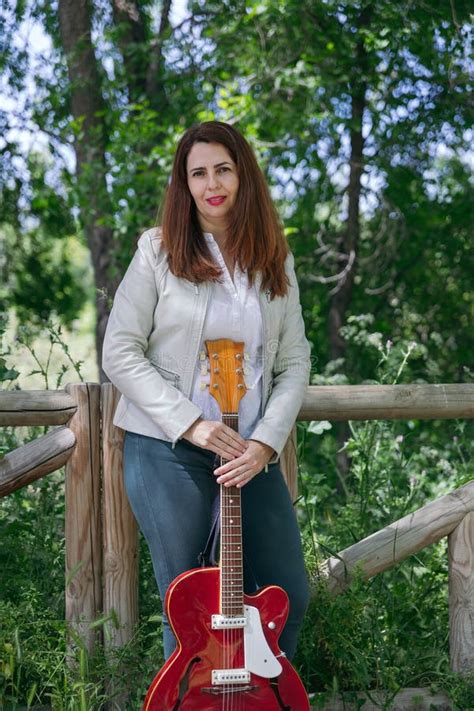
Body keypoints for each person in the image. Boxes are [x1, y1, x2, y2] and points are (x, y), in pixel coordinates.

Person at [102, 120, 312, 662]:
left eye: (222, 168)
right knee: (189, 601)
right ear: (184, 183)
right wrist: (191, 424)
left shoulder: (272, 257)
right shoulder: (158, 250)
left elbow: (293, 362)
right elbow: (119, 351)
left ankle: (257, 698)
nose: (211, 183)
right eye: (198, 173)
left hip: (247, 454)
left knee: (288, 588)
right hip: (166, 449)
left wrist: (265, 443)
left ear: (243, 174)